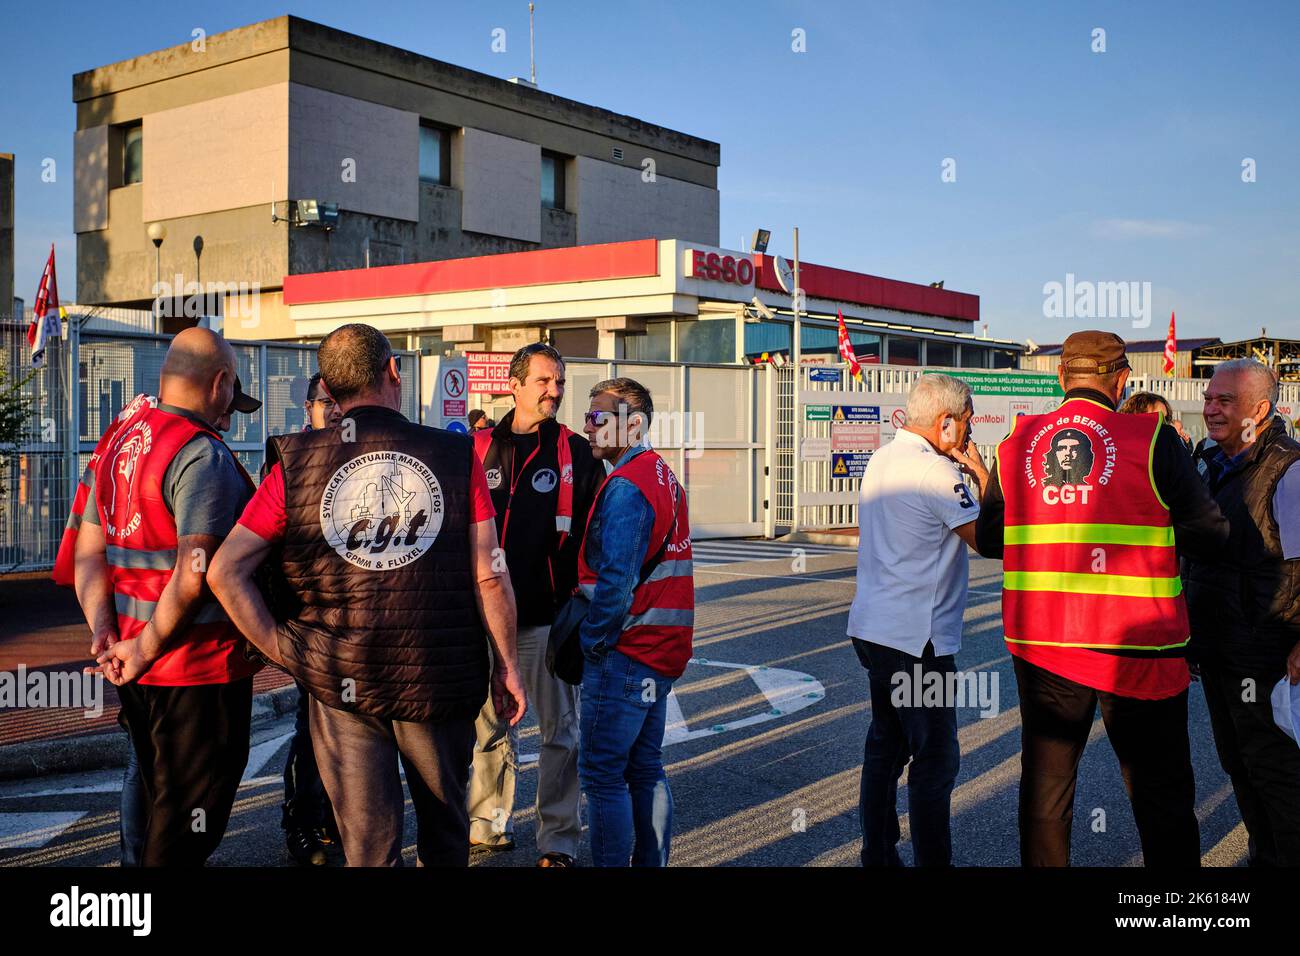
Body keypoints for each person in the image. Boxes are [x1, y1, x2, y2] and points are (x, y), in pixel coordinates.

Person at [208, 323, 527, 867]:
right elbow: (489, 573)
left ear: (328, 392)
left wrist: (286, 651)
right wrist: (507, 665)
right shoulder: (455, 455)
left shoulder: (294, 462)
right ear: (394, 372)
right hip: (438, 673)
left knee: (368, 847)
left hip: (340, 679)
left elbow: (223, 571)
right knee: (445, 832)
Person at [974, 330, 1228, 867]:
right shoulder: (1152, 439)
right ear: (1122, 380)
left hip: (1043, 641)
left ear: (1060, 376)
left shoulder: (1016, 443)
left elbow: (993, 539)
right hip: (1139, 644)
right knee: (1159, 793)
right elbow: (1210, 534)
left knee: (1047, 790)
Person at [85, 328, 263, 866]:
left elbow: (88, 551)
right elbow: (194, 570)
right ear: (220, 383)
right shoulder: (200, 454)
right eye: (232, 395)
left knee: (158, 797)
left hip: (139, 669)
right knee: (187, 825)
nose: (232, 412)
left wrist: (106, 633)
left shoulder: (120, 440)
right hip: (196, 672)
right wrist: (142, 648)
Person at [468, 343, 603, 867]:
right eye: (545, 381)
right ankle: (488, 824)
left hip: (548, 619)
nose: (555, 391)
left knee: (559, 735)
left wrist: (586, 602)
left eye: (560, 382)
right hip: (485, 618)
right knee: (489, 726)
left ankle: (559, 841)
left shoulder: (575, 451)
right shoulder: (477, 449)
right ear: (515, 383)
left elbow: (596, 535)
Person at [846, 373, 987, 867]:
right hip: (916, 641)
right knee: (936, 758)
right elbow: (992, 540)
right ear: (945, 422)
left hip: (874, 627)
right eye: (966, 423)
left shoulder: (884, 458)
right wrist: (984, 478)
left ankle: (878, 855)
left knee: (886, 747)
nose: (969, 434)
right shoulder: (938, 474)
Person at [1184, 358, 1300, 866]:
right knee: (1239, 765)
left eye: (1224, 401)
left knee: (1277, 774)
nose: (1210, 409)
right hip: (1219, 652)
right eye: (1209, 398)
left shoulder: (1289, 471)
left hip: (1270, 658)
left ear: (1260, 408)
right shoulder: (1210, 461)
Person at [575, 378, 693, 867]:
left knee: (603, 775)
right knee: (645, 768)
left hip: (627, 649)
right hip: (660, 648)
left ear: (634, 423)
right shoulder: (660, 473)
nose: (588, 426)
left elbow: (617, 582)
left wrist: (592, 640)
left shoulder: (627, 486)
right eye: (588, 415)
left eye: (598, 417)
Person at [274, 372, 344, 866]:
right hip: (310, 622)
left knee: (354, 736)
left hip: (361, 623)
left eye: (341, 402)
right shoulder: (289, 458)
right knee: (311, 730)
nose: (335, 411)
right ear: (308, 407)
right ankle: (302, 823)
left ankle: (337, 822)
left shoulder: (369, 455)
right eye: (326, 403)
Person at [1119, 391, 1193, 450]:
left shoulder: (1169, 453)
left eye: (1165, 419)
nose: (1164, 425)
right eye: (1157, 418)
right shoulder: (1117, 452)